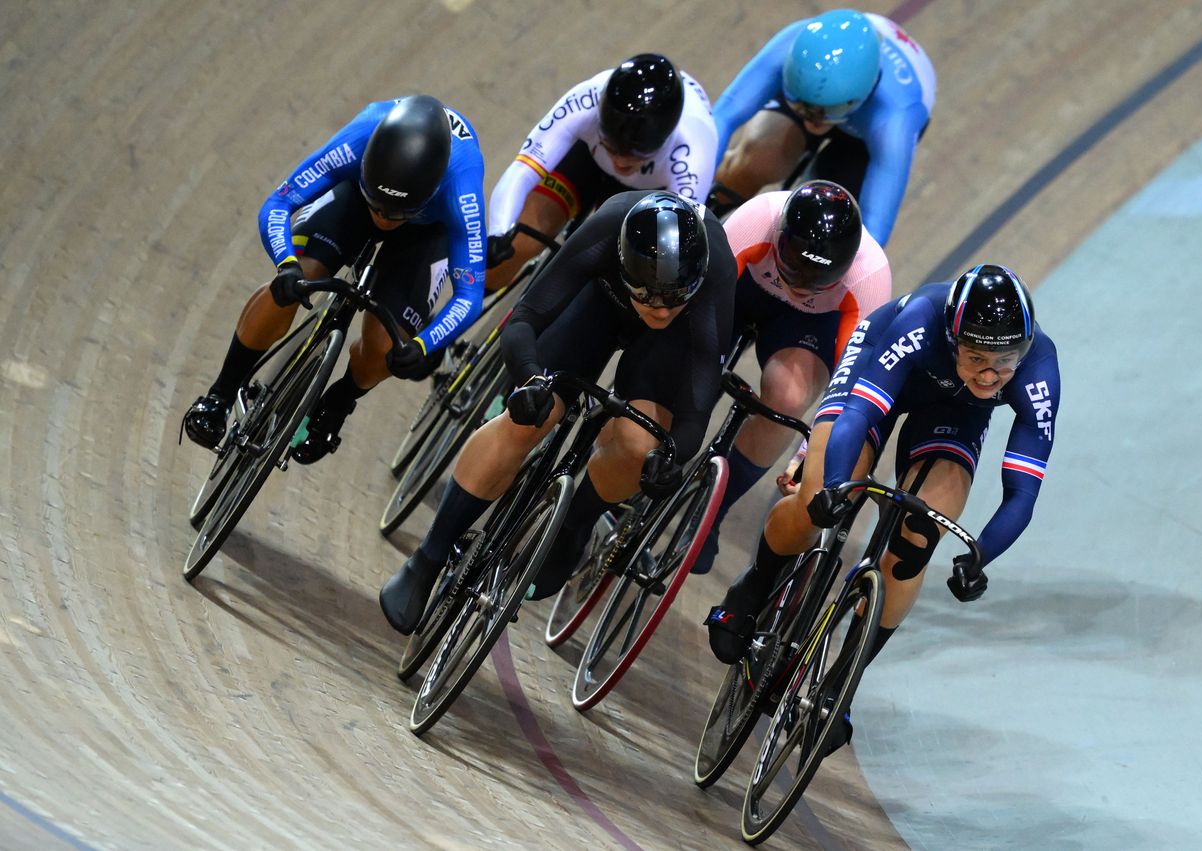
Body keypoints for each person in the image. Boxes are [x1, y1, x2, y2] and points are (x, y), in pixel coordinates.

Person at [705, 264, 1060, 750]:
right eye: (977, 357)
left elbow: (1022, 493)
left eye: (1005, 362)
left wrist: (980, 556)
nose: (991, 374)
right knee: (819, 502)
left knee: (917, 542)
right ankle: (754, 587)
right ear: (954, 341)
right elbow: (859, 414)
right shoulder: (920, 320)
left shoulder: (1039, 367)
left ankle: (842, 682)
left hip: (955, 413)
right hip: (880, 368)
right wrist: (832, 486)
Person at [380, 191, 738, 634]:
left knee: (638, 444)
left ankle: (572, 527)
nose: (660, 308)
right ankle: (426, 559)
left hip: (666, 347)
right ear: (625, 265)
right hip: (599, 302)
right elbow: (525, 319)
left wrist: (671, 456)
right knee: (527, 420)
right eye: (648, 296)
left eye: (674, 299)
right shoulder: (607, 229)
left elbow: (696, 408)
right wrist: (531, 381)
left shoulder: (716, 276)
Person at [182, 95, 487, 464]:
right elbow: (278, 204)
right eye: (377, 205)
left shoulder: (462, 187)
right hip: (352, 199)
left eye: (395, 214)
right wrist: (286, 266)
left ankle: (341, 400)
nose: (383, 220)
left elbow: (469, 293)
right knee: (302, 278)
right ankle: (220, 393)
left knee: (387, 344)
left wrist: (424, 345)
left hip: (426, 232)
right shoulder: (359, 138)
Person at [691, 179, 892, 575]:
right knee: (691, 361)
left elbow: (848, 393)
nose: (799, 287)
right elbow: (697, 299)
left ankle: (709, 513)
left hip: (807, 325)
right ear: (781, 237)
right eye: (794, 271)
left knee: (787, 402)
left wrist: (806, 454)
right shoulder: (758, 217)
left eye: (817, 281)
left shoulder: (870, 276)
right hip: (740, 288)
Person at [484, 53, 718, 292]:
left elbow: (674, 250)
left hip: (647, 191)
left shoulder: (693, 156)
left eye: (634, 154)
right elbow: (522, 171)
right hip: (587, 158)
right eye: (611, 146)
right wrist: (499, 232)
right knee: (522, 241)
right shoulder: (585, 101)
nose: (618, 160)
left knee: (618, 277)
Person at [712, 9, 935, 247]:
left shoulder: (895, 119)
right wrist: (688, 195)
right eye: (803, 107)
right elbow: (719, 121)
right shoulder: (795, 46)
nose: (812, 121)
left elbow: (874, 232)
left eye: (827, 112)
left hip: (861, 140)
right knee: (760, 159)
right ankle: (713, 204)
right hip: (825, 91)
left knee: (821, 223)